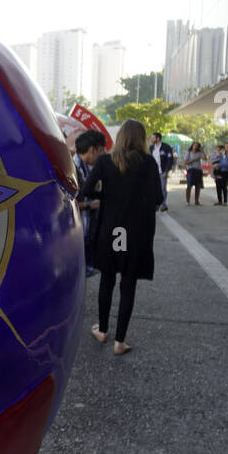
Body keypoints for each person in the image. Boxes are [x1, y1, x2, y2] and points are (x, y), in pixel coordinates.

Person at [78, 118, 161, 355]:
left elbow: (86, 190)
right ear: (142, 138)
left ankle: (102, 330)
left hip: (113, 231)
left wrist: (106, 193)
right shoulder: (148, 164)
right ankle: (119, 342)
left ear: (121, 136)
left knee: (108, 278)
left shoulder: (105, 161)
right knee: (128, 283)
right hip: (136, 233)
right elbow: (157, 198)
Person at [74, 130, 106, 277]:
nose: (101, 156)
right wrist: (89, 205)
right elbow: (68, 202)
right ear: (92, 150)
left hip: (85, 224)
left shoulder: (84, 166)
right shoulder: (74, 168)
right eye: (100, 152)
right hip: (78, 224)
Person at [149, 132, 175, 212]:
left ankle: (163, 204)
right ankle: (156, 204)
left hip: (162, 171)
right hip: (153, 172)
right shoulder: (151, 148)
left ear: (158, 138)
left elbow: (170, 160)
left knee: (162, 188)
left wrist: (167, 171)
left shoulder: (166, 147)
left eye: (153, 137)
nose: (151, 139)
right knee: (153, 188)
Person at [182, 141, 204, 205]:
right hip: (191, 171)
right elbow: (185, 162)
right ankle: (188, 201)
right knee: (189, 186)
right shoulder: (188, 153)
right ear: (192, 146)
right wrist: (194, 160)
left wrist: (202, 151)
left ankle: (196, 201)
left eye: (197, 146)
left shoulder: (199, 153)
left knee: (198, 186)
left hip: (198, 170)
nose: (195, 146)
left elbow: (205, 158)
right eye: (194, 145)